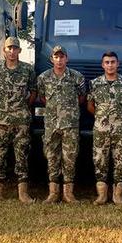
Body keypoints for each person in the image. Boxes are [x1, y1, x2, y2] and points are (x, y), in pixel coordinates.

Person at [0, 36, 37, 205]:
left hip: (21, 120)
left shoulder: (28, 70)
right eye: (9, 48)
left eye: (15, 48)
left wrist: (23, 107)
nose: (12, 51)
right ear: (4, 51)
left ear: (20, 50)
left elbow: (33, 92)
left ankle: (23, 193)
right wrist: (2, 106)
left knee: (22, 154)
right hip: (1, 120)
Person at [87, 51, 122, 205]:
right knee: (100, 160)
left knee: (121, 160)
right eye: (107, 62)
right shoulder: (94, 84)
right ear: (102, 65)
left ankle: (117, 195)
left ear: (118, 64)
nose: (110, 65)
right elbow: (90, 105)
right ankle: (102, 195)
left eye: (113, 62)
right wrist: (102, 118)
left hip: (120, 128)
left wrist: (119, 117)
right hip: (100, 129)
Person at [37, 45, 86, 203]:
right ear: (51, 59)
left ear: (67, 58)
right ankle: (53, 192)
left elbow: (82, 98)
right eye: (56, 57)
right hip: (51, 124)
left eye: (62, 57)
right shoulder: (43, 78)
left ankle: (68, 193)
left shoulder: (76, 77)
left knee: (70, 157)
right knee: (51, 156)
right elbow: (42, 98)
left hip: (70, 124)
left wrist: (67, 111)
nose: (59, 60)